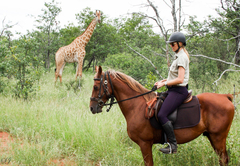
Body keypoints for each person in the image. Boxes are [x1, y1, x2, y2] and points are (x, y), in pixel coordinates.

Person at [154, 32, 190, 154]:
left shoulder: (182, 57)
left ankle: (173, 145)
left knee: (161, 115)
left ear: (180, 44)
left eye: (173, 44)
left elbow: (180, 79)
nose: (171, 46)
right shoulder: (178, 56)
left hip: (179, 91)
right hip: (173, 89)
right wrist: (163, 81)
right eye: (170, 44)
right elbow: (174, 76)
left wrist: (164, 84)